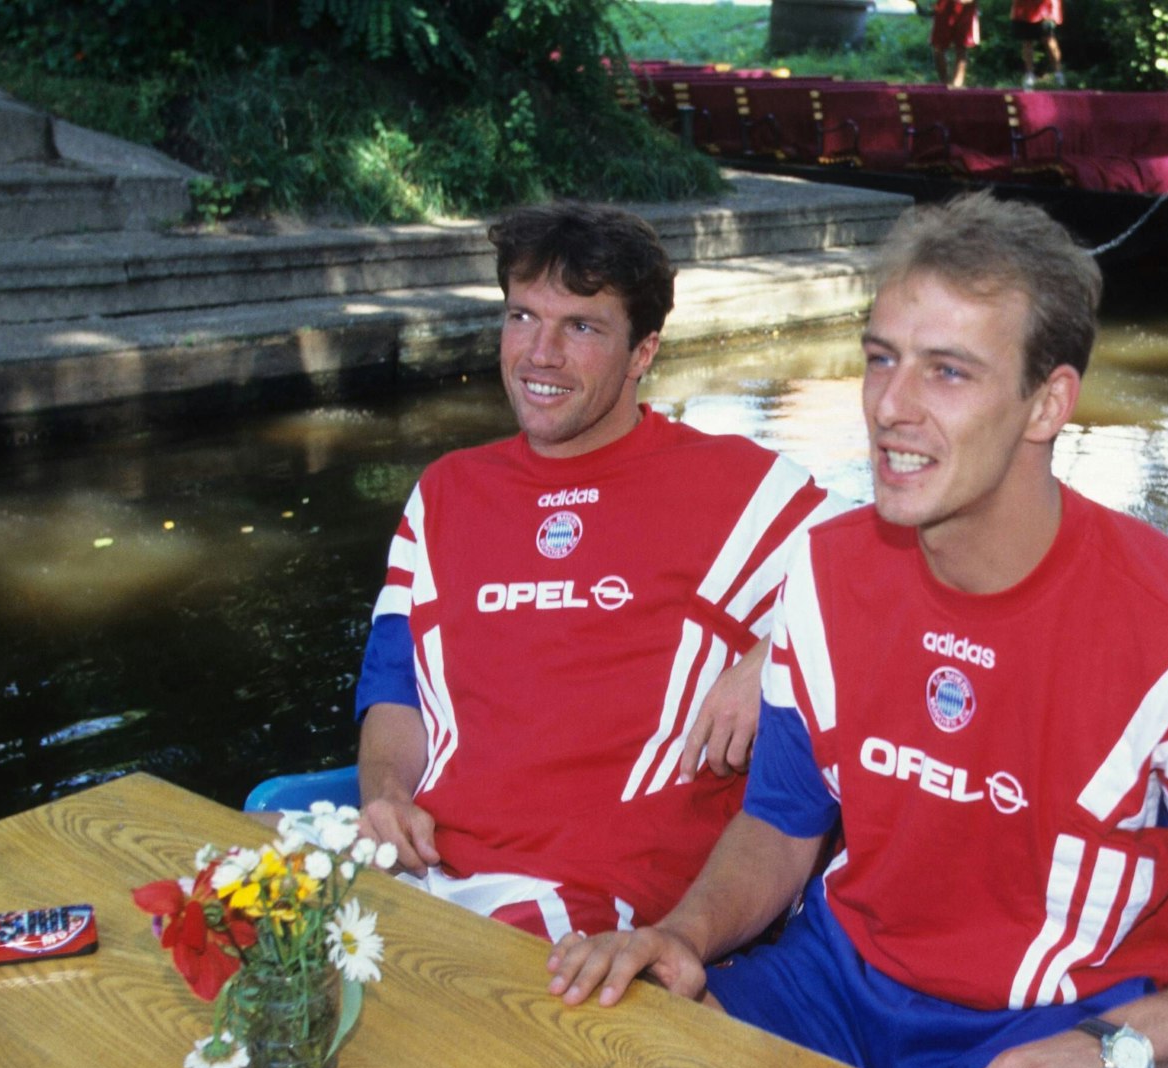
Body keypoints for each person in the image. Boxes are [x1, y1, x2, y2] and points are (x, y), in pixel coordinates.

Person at [547, 194, 1168, 1068]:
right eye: (879, 357)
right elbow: (782, 826)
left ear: (1044, 402)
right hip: (833, 987)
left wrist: (1113, 1052)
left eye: (947, 370)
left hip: (1041, 1030)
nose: (890, 406)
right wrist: (683, 932)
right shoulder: (824, 571)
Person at [351, 201, 842, 943]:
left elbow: (913, 585)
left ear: (643, 352)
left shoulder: (742, 493)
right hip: (425, 866)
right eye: (522, 317)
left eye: (580, 327)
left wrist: (775, 654)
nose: (539, 354)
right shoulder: (446, 492)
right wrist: (385, 794)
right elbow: (395, 684)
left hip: (592, 910)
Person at [1014, 0, 1065, 89]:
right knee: (1027, 41)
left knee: (1049, 39)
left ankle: (1058, 74)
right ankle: (1029, 75)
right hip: (1024, 7)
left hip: (1046, 7)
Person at [932, 0, 980, 89]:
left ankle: (957, 85)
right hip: (944, 5)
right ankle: (944, 84)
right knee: (938, 47)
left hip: (966, 7)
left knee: (962, 46)